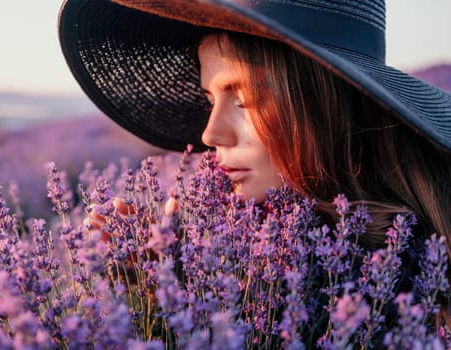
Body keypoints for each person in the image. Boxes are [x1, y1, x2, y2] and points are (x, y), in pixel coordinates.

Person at [59, 0, 451, 322]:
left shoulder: (423, 291)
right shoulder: (234, 257)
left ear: (327, 107)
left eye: (242, 99)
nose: (211, 134)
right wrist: (162, 285)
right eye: (212, 100)